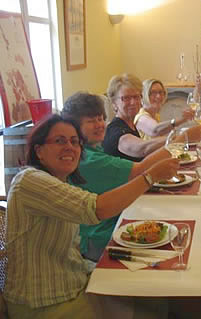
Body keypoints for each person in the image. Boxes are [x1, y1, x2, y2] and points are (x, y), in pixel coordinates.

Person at [5, 114, 178, 318]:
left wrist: (100, 269)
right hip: (44, 303)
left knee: (157, 297)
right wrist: (150, 176)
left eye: (74, 141)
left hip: (75, 283)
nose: (69, 147)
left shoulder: (62, 182)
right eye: (59, 141)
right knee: (153, 310)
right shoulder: (29, 181)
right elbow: (97, 209)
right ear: (39, 151)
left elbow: (69, 252)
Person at [62, 91, 172, 262]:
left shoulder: (92, 149)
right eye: (91, 121)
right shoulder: (87, 159)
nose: (99, 124)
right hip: (99, 238)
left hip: (115, 222)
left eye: (100, 119)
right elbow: (140, 170)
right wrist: (179, 140)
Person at [103, 73, 201, 161]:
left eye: (136, 97)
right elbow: (142, 149)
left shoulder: (130, 125)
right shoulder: (115, 130)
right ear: (114, 103)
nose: (133, 102)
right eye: (126, 98)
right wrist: (183, 137)